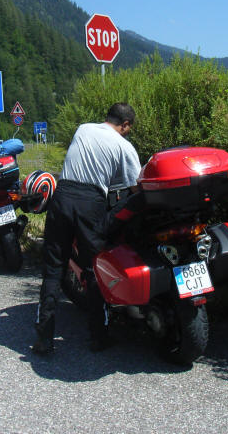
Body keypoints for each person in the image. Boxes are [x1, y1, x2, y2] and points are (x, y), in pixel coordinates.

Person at [32, 102, 142, 355]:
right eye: (129, 129)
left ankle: (44, 339)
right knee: (94, 269)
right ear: (125, 125)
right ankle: (99, 337)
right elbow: (136, 188)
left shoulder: (83, 129)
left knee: (53, 270)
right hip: (90, 204)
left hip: (62, 196)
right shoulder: (124, 146)